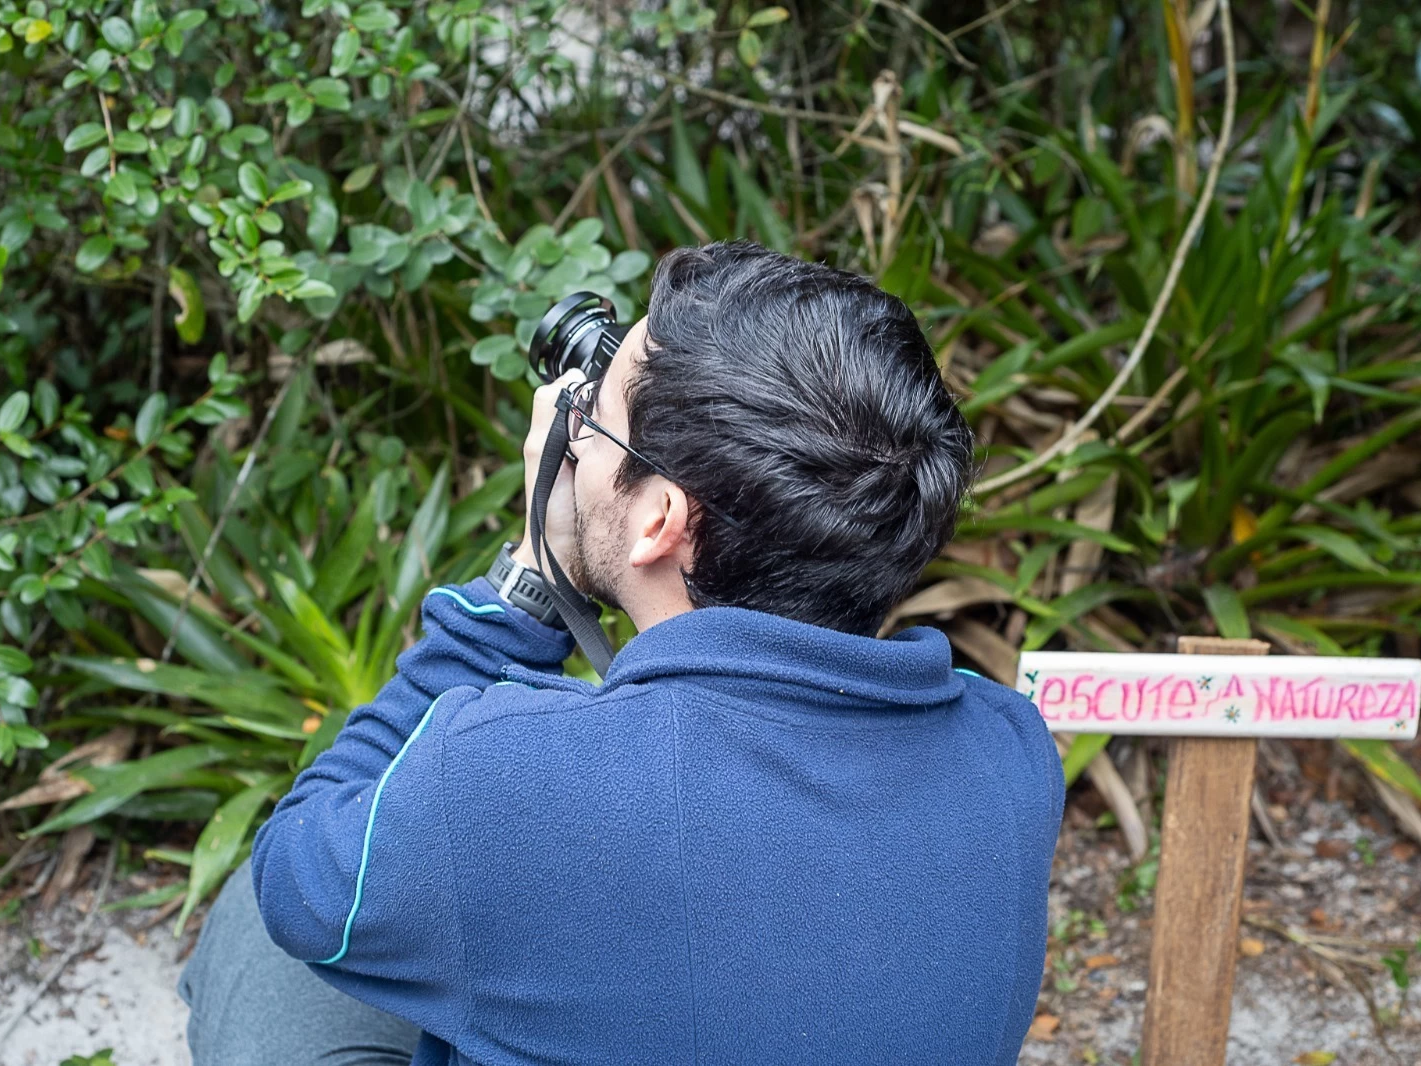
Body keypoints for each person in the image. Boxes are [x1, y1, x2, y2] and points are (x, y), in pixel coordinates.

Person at [178, 241, 1064, 1065]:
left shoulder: (515, 784)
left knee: (259, 928)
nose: (572, 438)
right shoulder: (1011, 751)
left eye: (593, 419)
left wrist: (528, 582)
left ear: (661, 520)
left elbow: (298, 874)